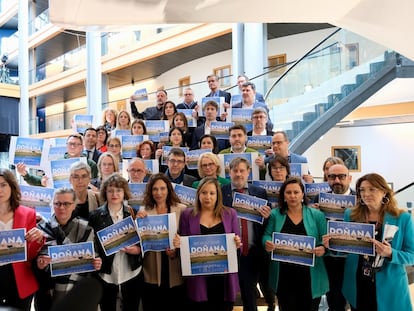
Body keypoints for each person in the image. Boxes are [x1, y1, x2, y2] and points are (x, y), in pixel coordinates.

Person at [324, 173, 414, 311]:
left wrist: (391, 253)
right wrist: (334, 245)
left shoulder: (402, 218)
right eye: (362, 189)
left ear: (384, 191)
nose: (366, 193)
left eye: (372, 189)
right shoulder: (351, 214)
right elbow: (347, 249)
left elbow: (411, 255)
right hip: (358, 283)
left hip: (390, 286)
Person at [174, 177, 241, 311]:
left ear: (218, 195)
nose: (207, 197)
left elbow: (238, 245)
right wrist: (178, 244)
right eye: (204, 193)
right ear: (198, 194)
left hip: (224, 278)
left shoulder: (230, 214)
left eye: (212, 193)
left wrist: (238, 243)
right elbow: (183, 247)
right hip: (199, 278)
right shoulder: (188, 214)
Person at [263, 176, 329, 311]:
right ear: (284, 196)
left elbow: (325, 240)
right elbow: (266, 235)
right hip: (284, 275)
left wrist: (323, 248)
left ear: (302, 194)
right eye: (288, 192)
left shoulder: (317, 215)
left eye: (296, 192)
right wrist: (267, 242)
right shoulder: (275, 214)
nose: (292, 196)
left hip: (310, 275)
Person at [35, 188, 102, 308]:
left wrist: (97, 262)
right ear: (52, 204)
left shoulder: (86, 229)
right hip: (48, 292)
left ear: (74, 205)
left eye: (66, 203)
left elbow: (94, 256)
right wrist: (39, 265)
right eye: (57, 203)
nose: (61, 207)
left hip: (78, 292)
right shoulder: (40, 229)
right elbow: (33, 263)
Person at [221, 157, 271, 311]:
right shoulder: (221, 193)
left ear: (248, 172)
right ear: (229, 173)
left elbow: (265, 225)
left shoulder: (260, 193)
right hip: (228, 253)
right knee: (227, 298)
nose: (238, 174)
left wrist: (267, 216)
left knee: (249, 297)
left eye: (242, 170)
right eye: (235, 171)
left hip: (252, 253)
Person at [88, 173, 143, 311]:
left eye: (119, 190)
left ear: (124, 192)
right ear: (105, 192)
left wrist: (138, 250)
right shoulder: (95, 216)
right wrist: (96, 257)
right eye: (110, 190)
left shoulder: (134, 213)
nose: (114, 194)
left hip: (131, 271)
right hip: (106, 273)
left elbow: (145, 242)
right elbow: (91, 244)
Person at [136, 173, 187, 311]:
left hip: (174, 267)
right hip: (152, 269)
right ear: (150, 191)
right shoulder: (144, 211)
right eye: (155, 189)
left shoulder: (181, 209)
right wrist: (138, 222)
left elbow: (186, 237)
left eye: (162, 188)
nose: (159, 193)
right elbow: (140, 241)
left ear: (168, 189)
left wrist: (177, 248)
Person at [0, 168, 45, 311]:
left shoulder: (28, 214)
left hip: (19, 280)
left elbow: (30, 255)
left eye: (3, 185)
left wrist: (38, 239)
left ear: (12, 186)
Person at [314, 163, 354, 311]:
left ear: (349, 178)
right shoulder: (320, 198)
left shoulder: (360, 198)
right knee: (334, 300)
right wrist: (314, 212)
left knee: (356, 299)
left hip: (353, 259)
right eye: (332, 177)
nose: (336, 180)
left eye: (341, 176)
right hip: (329, 258)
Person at [17, 133, 99, 186]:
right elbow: (41, 181)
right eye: (70, 144)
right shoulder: (56, 162)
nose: (72, 146)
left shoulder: (91, 164)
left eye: (76, 144)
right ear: (66, 145)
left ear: (82, 147)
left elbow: (94, 185)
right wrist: (25, 174)